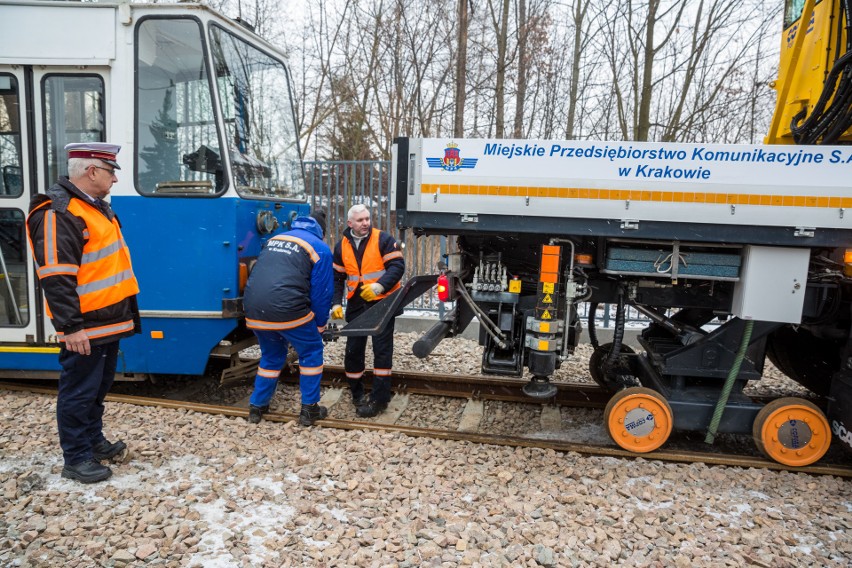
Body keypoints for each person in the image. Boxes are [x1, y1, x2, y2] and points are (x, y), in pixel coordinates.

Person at [26, 142, 140, 484]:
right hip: (85, 325)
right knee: (78, 390)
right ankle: (75, 458)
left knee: (97, 387)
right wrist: (71, 326)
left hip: (108, 321)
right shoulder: (58, 212)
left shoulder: (94, 208)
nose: (114, 180)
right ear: (91, 171)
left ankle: (92, 441)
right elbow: (56, 276)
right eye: (110, 172)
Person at [243, 209, 333, 426]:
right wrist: (319, 325)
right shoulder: (320, 247)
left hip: (254, 308)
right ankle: (309, 409)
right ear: (321, 230)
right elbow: (322, 294)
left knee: (272, 355)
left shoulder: (275, 238)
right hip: (288, 309)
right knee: (311, 351)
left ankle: (257, 406)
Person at [331, 204, 405, 418]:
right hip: (357, 304)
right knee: (353, 350)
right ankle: (357, 394)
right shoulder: (341, 246)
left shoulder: (383, 239)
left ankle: (380, 399)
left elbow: (397, 267)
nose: (365, 223)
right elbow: (338, 279)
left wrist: (379, 286)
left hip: (383, 302)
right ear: (350, 224)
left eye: (367, 219)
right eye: (361, 220)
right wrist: (336, 303)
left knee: (382, 351)